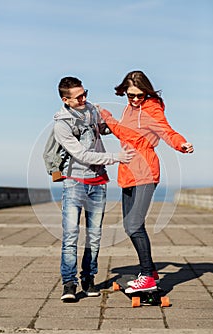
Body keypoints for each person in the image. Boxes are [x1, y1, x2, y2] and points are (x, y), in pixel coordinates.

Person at [100, 70, 194, 294]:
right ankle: (150, 272)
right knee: (131, 225)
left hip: (145, 172)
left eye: (139, 95)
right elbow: (124, 133)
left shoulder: (152, 108)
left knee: (133, 224)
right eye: (130, 95)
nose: (134, 100)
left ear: (147, 92)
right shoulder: (128, 108)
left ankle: (147, 277)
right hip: (127, 171)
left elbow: (166, 131)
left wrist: (181, 144)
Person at [53, 76, 135, 301]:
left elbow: (102, 129)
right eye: (79, 96)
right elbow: (81, 154)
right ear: (66, 100)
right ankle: (69, 284)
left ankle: (88, 279)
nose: (84, 98)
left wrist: (111, 122)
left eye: (85, 93)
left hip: (98, 183)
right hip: (74, 183)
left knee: (94, 236)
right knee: (70, 236)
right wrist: (115, 157)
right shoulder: (61, 124)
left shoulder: (90, 109)